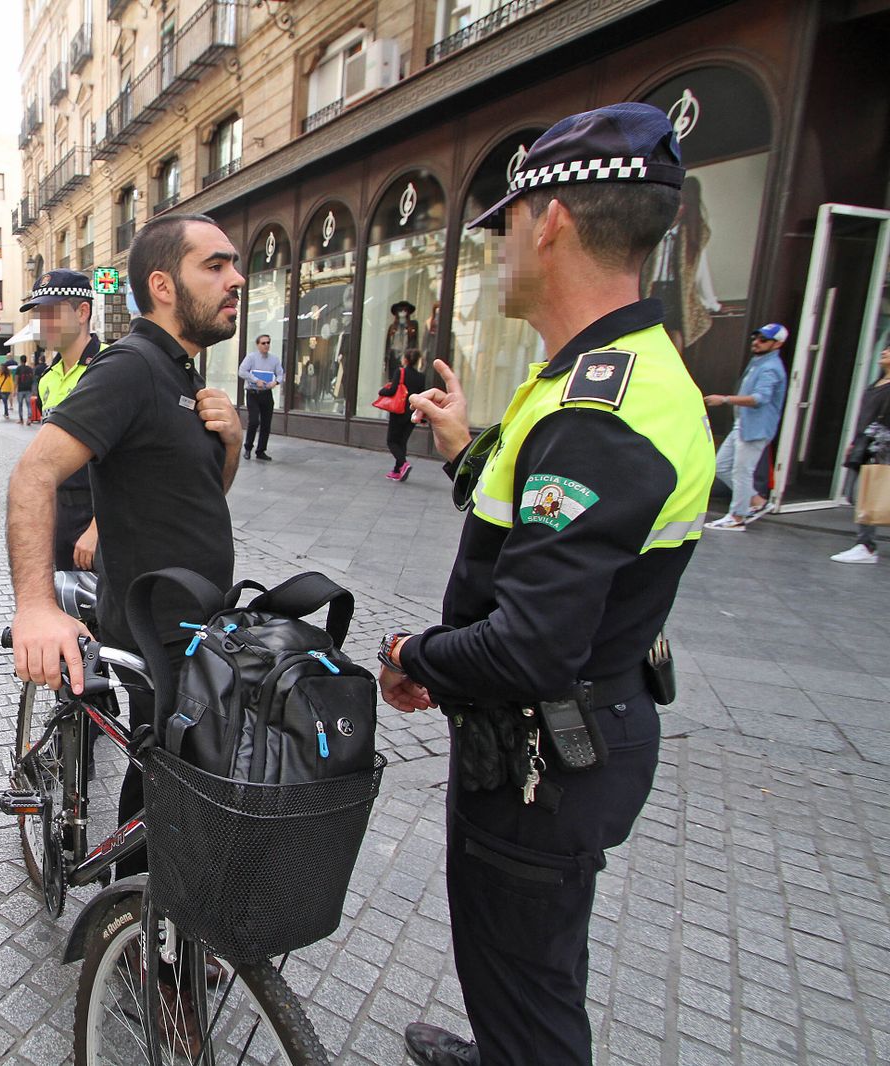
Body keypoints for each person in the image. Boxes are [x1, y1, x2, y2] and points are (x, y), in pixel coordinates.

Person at [381, 103, 715, 1066]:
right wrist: (470, 452)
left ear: (554, 221)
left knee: (528, 996)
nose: (500, 249)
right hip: (568, 739)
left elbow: (530, 644)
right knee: (518, 963)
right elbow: (548, 520)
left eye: (508, 225)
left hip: (544, 760)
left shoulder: (595, 413)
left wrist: (414, 656)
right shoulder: (608, 378)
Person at [7, 213, 245, 884]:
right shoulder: (132, 368)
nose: (237, 278)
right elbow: (34, 472)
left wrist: (228, 442)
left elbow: (204, 491)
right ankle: (140, 933)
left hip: (199, 622)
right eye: (217, 265)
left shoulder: (183, 374)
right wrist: (34, 605)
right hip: (152, 628)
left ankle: (149, 928)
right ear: (164, 285)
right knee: (169, 790)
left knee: (178, 782)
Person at [26, 269, 103, 569]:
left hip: (100, 517)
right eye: (37, 314)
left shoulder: (111, 366)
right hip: (60, 514)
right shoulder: (48, 378)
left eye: (51, 313)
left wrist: (99, 527)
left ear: (82, 312)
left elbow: (133, 462)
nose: (41, 324)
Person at [704, 323, 788, 530]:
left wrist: (724, 400)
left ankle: (737, 517)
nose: (757, 343)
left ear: (777, 344)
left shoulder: (770, 368)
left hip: (754, 428)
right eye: (755, 338)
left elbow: (760, 398)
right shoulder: (761, 362)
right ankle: (756, 502)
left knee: (742, 471)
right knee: (721, 465)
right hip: (744, 425)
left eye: (763, 340)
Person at [642, 174, 720, 352]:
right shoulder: (653, 230)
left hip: (675, 291)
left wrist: (710, 300)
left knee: (675, 330)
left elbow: (700, 272)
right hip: (651, 288)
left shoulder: (691, 236)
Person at [832, 342, 890, 563]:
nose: (884, 352)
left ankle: (866, 544)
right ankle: (865, 543)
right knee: (857, 494)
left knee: (866, 494)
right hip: (867, 444)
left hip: (881, 447)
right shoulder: (878, 382)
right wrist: (856, 441)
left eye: (889, 350)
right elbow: (867, 416)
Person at [380, 350, 426, 481]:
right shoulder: (421, 377)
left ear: (405, 359)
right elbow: (422, 396)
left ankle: (404, 464)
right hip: (412, 413)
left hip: (398, 412)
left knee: (392, 441)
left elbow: (392, 390)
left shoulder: (400, 372)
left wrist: (382, 391)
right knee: (402, 442)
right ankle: (397, 470)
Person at [238, 333, 284, 460]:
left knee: (266, 423)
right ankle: (248, 448)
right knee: (253, 421)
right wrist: (255, 380)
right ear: (258, 345)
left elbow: (281, 374)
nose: (266, 345)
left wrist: (275, 382)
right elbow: (242, 371)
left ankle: (261, 451)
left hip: (266, 394)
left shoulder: (274, 359)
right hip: (253, 393)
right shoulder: (251, 357)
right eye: (263, 343)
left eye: (268, 342)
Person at [13, 356, 36, 425]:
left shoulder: (18, 368)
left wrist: (14, 389)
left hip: (20, 389)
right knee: (29, 405)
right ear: (26, 360)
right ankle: (29, 418)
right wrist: (33, 389)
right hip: (28, 389)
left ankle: (21, 419)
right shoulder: (30, 369)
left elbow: (16, 379)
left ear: (20, 360)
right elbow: (32, 379)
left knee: (20, 405)